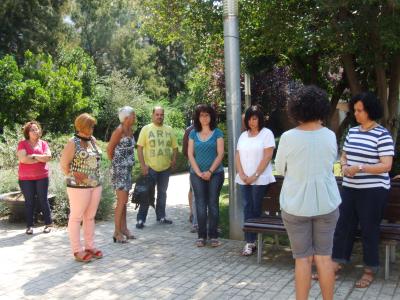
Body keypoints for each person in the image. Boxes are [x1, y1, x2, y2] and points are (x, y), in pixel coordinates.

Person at [274, 85, 341, 300]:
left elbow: (279, 169)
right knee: (324, 258)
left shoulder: (287, 137)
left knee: (302, 259)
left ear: (296, 109)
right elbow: (331, 162)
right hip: (326, 204)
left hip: (295, 206)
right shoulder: (330, 136)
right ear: (322, 108)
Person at [332, 92, 394, 288]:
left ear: (370, 111)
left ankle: (369, 270)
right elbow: (344, 155)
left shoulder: (382, 134)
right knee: (343, 226)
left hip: (373, 191)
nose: (356, 114)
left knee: (369, 229)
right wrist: (343, 166)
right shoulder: (352, 131)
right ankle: (336, 263)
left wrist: (359, 167)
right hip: (350, 188)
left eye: (360, 110)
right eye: (355, 110)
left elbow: (386, 165)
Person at [60, 113, 103, 262]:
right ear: (82, 126)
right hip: (78, 187)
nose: (92, 128)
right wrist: (73, 174)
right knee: (76, 217)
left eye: (93, 126)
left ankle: (90, 246)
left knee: (90, 217)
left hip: (95, 184)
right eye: (90, 126)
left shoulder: (93, 140)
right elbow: (63, 164)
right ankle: (77, 250)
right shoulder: (73, 142)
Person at [235, 105, 275, 256]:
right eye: (249, 119)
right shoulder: (243, 136)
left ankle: (257, 240)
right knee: (247, 208)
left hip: (260, 179)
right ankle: (249, 242)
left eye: (255, 118)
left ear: (259, 119)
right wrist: (242, 173)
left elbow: (267, 156)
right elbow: (238, 155)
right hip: (244, 179)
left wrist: (255, 175)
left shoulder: (266, 134)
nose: (252, 122)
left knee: (255, 208)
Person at [188, 104, 224, 247]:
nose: (204, 118)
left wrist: (209, 172)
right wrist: (198, 172)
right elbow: (190, 154)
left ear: (211, 117)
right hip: (196, 174)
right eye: (201, 115)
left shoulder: (217, 133)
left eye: (207, 115)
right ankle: (201, 236)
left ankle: (214, 235)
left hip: (215, 174)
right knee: (201, 205)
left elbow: (221, 154)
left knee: (213, 204)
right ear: (198, 117)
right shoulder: (193, 134)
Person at [136, 106, 178, 228]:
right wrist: (143, 165)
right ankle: (141, 219)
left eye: (161, 115)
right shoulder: (146, 129)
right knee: (146, 193)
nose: (159, 117)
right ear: (153, 115)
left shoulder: (169, 129)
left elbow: (175, 147)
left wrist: (174, 159)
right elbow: (139, 148)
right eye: (157, 114)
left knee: (162, 193)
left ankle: (161, 216)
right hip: (151, 168)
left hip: (165, 169)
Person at [17, 121, 53, 235]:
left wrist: (33, 156)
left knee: (43, 200)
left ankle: (48, 224)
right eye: (32, 129)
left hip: (42, 176)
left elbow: (48, 157)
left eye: (37, 129)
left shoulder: (44, 143)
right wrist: (39, 159)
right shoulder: (22, 144)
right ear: (27, 132)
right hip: (25, 178)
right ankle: (29, 226)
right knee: (29, 201)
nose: (35, 131)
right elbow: (23, 159)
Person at [107, 106, 136, 243]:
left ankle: (124, 228)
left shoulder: (130, 130)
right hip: (120, 171)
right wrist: (118, 164)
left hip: (127, 170)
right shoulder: (119, 131)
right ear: (126, 118)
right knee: (121, 201)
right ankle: (116, 232)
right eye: (133, 115)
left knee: (124, 201)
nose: (135, 117)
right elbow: (109, 150)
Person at [182, 123, 198, 232]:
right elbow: (185, 150)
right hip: (193, 163)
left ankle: (194, 214)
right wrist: (192, 159)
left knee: (193, 189)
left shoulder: (212, 128)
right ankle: (193, 213)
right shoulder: (190, 130)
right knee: (193, 189)